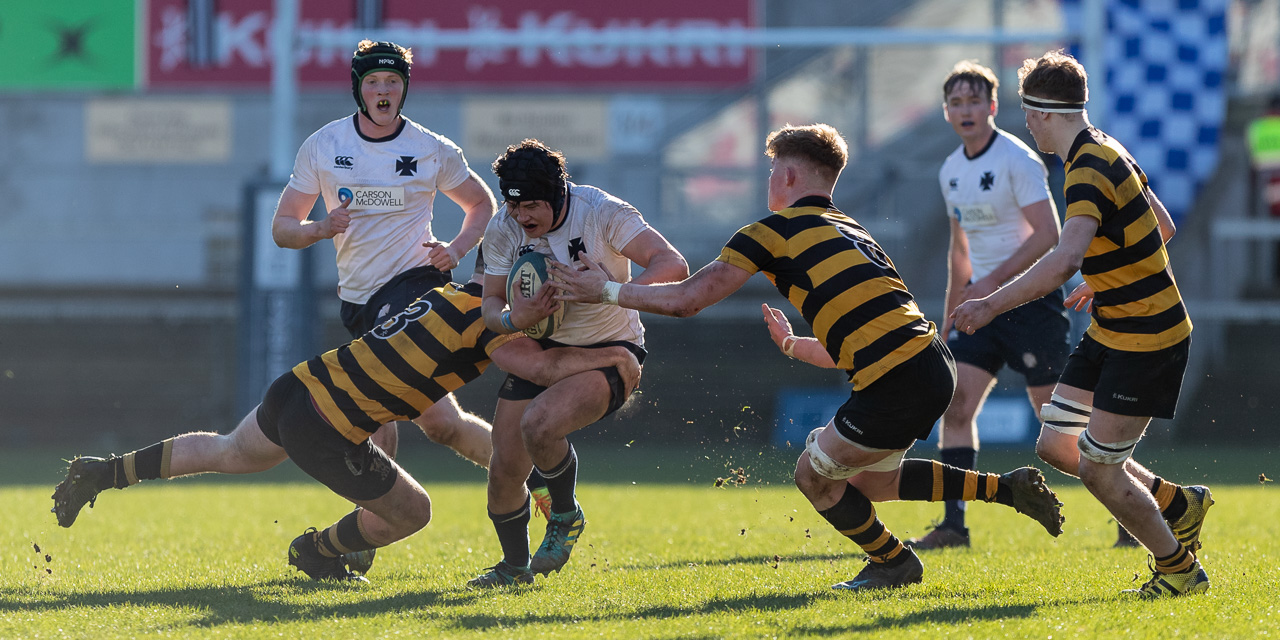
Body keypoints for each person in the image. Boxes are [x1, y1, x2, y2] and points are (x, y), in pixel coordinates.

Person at [550, 124, 1064, 591]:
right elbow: (868, 338)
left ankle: (893, 562)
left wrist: (608, 291)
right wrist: (795, 346)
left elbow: (688, 298)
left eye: (773, 170)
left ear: (789, 175)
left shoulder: (770, 232)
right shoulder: (852, 230)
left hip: (897, 374)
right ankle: (1007, 490)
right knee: (874, 483)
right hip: (928, 360)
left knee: (812, 476)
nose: (769, 181)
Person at [50, 265, 640, 584]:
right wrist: (611, 355)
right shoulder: (493, 328)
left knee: (230, 451)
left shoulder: (451, 296)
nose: (547, 311)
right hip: (325, 426)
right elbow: (543, 364)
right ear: (514, 292)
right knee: (415, 512)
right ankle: (317, 551)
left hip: (299, 387)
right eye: (543, 301)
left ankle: (105, 472)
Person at [952, 50, 1212, 598]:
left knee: (1098, 469)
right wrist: (1108, 274)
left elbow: (1065, 258)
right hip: (1113, 328)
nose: (1026, 124)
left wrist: (990, 303)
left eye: (1028, 113)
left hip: (1147, 337)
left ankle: (1179, 571)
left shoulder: (1086, 167)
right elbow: (1159, 224)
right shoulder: (1105, 148)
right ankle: (1177, 504)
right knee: (1054, 443)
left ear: (1044, 114)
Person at [270, 39, 499, 482]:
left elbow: (481, 204)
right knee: (443, 425)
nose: (383, 90)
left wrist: (456, 249)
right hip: (360, 300)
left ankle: (372, 528)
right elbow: (283, 228)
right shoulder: (324, 145)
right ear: (358, 88)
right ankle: (536, 478)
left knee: (377, 409)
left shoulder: (430, 148)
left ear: (404, 88)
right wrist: (321, 228)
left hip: (417, 284)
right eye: (373, 81)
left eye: (392, 81)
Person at [471, 139, 689, 587]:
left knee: (540, 424)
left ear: (557, 193)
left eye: (531, 205)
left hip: (607, 350)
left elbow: (674, 264)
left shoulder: (602, 211)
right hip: (541, 350)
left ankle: (565, 515)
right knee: (504, 472)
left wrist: (609, 291)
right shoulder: (503, 226)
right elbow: (489, 306)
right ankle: (514, 570)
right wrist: (517, 317)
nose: (522, 217)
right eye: (515, 207)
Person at [915, 60, 1073, 550]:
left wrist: (991, 285)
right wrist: (949, 312)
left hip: (1030, 303)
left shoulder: (1019, 160)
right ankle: (954, 526)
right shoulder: (950, 170)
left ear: (993, 107)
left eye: (974, 101)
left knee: (1059, 428)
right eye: (956, 103)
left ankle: (1136, 508)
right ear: (947, 112)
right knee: (956, 405)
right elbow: (959, 249)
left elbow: (1049, 235)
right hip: (976, 309)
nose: (966, 110)